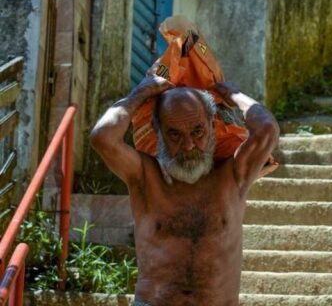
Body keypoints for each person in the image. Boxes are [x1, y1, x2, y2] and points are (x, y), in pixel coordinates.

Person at [89, 75, 279, 306]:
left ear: (212, 126)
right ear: (158, 132)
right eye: (175, 134)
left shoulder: (234, 175)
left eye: (197, 132)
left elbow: (267, 129)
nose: (189, 146)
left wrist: (232, 94)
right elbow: (102, 137)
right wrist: (140, 93)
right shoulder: (145, 176)